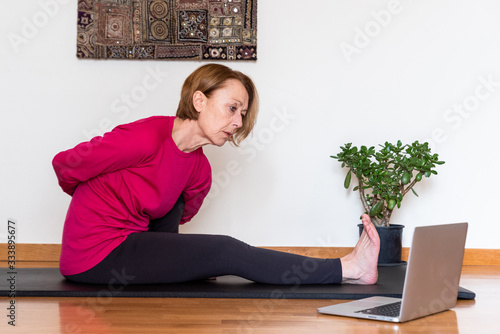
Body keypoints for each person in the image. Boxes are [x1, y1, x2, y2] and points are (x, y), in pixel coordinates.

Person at [52, 64, 380, 286]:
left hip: (134, 242)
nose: (238, 122)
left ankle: (177, 270)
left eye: (243, 114)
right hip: (94, 253)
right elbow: (66, 165)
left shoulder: (199, 170)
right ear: (199, 100)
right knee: (224, 251)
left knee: (178, 205)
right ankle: (348, 267)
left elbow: (183, 214)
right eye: (232, 108)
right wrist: (95, 204)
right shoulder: (145, 137)